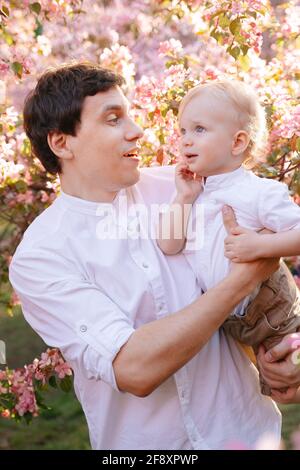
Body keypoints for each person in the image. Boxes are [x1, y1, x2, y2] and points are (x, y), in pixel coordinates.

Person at [8, 63, 300, 450]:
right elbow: (134, 368)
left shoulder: (193, 187)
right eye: (113, 119)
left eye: (130, 114)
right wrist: (242, 279)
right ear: (62, 143)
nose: (137, 130)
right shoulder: (41, 256)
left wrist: (283, 356)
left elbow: (268, 271)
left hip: (247, 434)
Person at [157, 79, 300, 395]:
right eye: (182, 131)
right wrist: (183, 197)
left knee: (289, 377)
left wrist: (260, 246)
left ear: (237, 143)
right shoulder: (194, 195)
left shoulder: (258, 192)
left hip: (271, 308)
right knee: (273, 383)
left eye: (199, 130)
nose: (185, 141)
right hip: (232, 320)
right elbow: (168, 245)